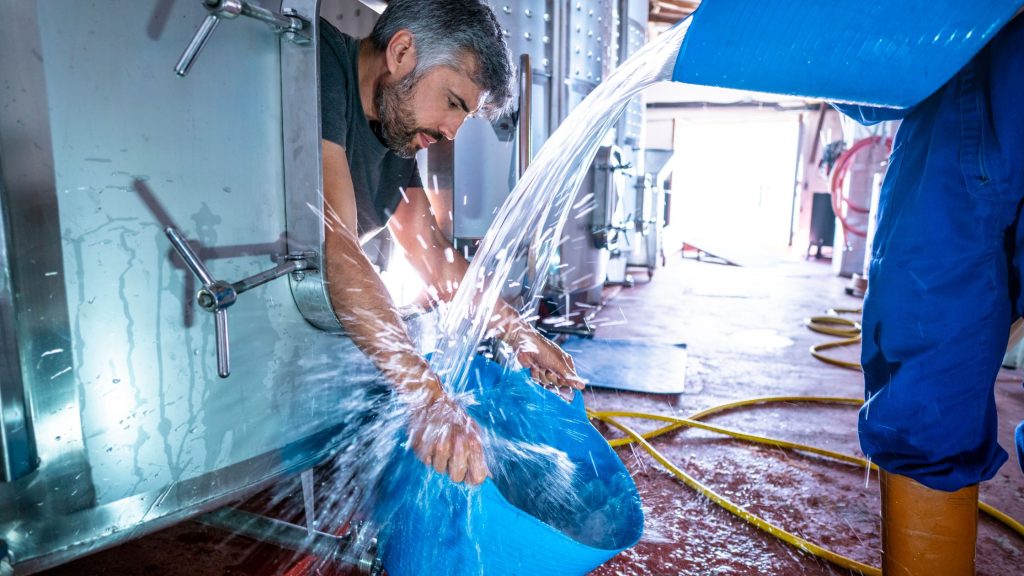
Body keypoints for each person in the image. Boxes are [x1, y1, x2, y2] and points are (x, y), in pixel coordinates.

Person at [318, 0, 585, 487]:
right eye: (455, 103)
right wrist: (427, 398)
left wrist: (520, 334)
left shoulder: (390, 128)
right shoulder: (316, 67)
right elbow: (337, 246)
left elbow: (437, 263)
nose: (451, 132)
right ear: (401, 51)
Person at [834, 8, 1023, 575]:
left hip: (963, 108)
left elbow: (863, 78)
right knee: (926, 379)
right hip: (964, 96)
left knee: (926, 366)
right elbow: (868, 81)